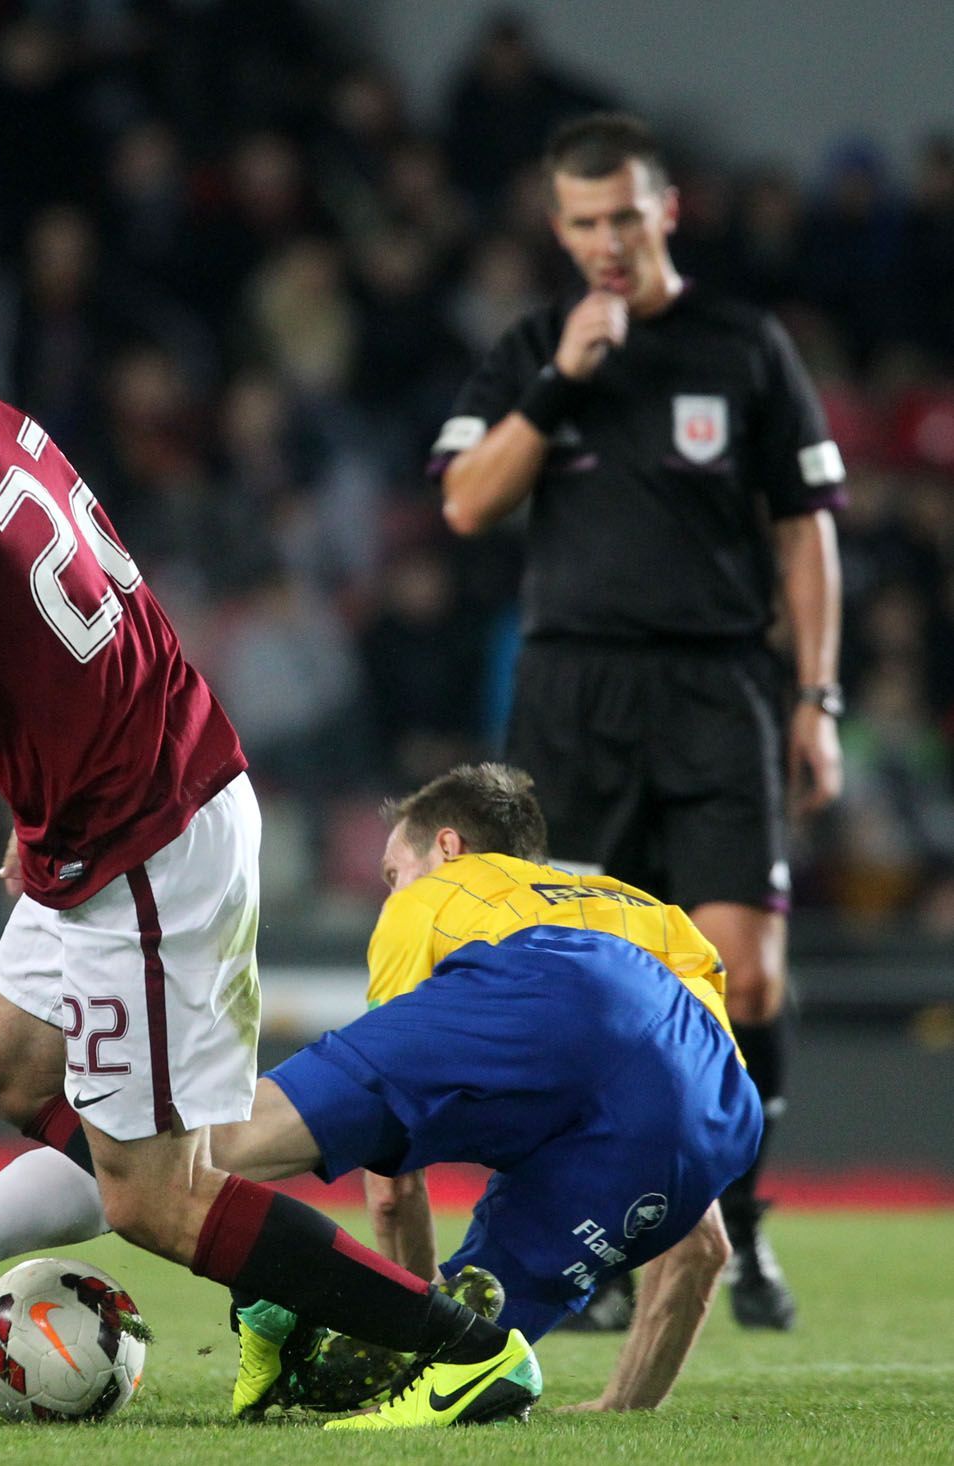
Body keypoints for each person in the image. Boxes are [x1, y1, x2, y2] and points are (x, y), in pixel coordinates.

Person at [0, 206, 530, 1430]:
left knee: (155, 1201)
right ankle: (264, 1262)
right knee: (3, 1061)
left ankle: (463, 1346)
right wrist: (37, 795)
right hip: (130, 799)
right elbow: (94, 603)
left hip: (142, 840)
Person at [0, 762, 757, 1423]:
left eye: (392, 872)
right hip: (702, 1082)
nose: (392, 894)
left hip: (549, 1005)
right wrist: (620, 1413)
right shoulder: (634, 908)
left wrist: (387, 1309)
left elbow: (393, 1165)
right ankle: (489, 1356)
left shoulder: (449, 897)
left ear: (448, 846)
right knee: (483, 1340)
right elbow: (700, 1248)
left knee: (191, 1154)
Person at [430, 112, 845, 1330]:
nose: (606, 241)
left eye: (625, 215)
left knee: (746, 978)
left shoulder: (744, 346)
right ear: (557, 228)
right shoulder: (531, 349)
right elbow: (463, 502)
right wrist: (564, 378)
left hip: (719, 688)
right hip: (573, 698)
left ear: (667, 210)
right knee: (581, 984)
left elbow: (804, 529)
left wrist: (814, 699)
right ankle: (598, 1248)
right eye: (582, 222)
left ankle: (745, 1226)